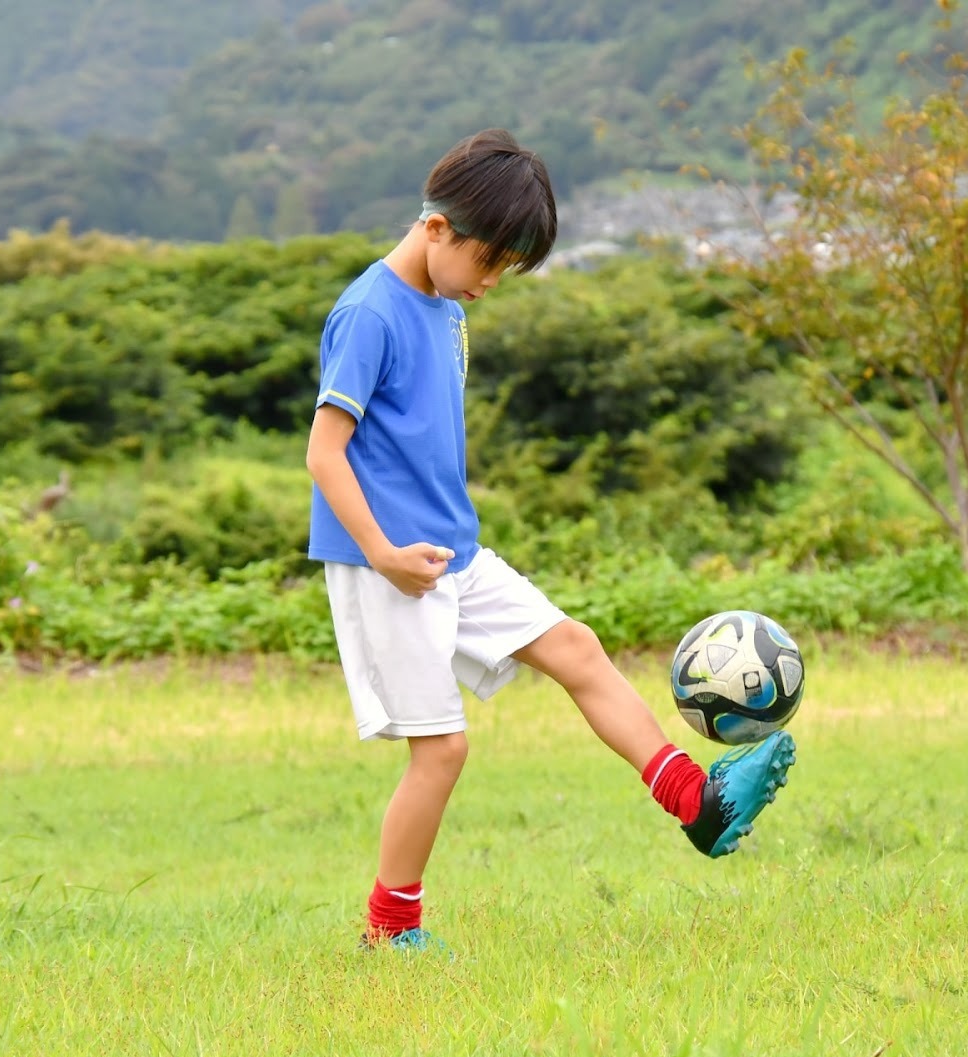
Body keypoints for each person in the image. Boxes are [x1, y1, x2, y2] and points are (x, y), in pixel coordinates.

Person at [305, 129, 797, 951]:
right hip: (387, 566)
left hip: (454, 552)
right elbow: (325, 452)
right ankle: (391, 930)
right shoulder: (367, 313)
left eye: (508, 269)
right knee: (442, 752)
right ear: (436, 230)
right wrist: (386, 555)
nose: (493, 283)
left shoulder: (445, 308)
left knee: (576, 646)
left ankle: (697, 805)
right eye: (491, 263)